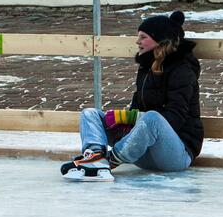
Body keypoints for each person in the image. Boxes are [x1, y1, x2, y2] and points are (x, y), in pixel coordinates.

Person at [61, 10, 203, 182]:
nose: (138, 41)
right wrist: (123, 121)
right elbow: (137, 110)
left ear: (159, 39)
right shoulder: (146, 66)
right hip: (142, 151)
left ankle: (107, 161)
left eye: (143, 37)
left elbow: (175, 118)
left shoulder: (182, 69)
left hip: (176, 154)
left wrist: (129, 117)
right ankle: (95, 156)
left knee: (152, 118)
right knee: (90, 114)